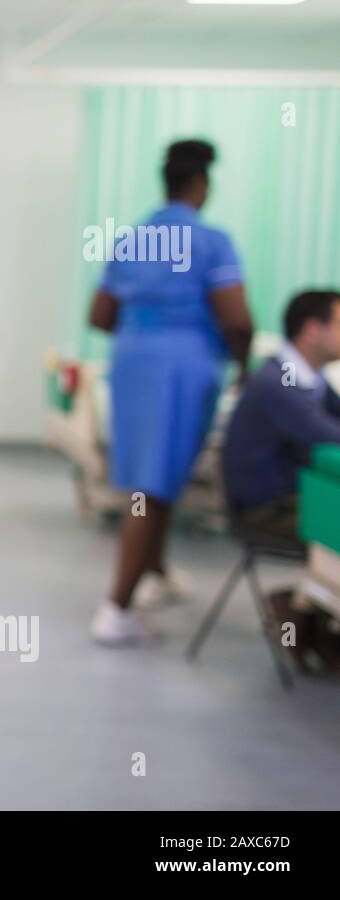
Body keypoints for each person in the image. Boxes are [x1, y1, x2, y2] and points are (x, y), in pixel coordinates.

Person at [86, 140, 254, 646]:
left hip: (135, 364)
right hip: (183, 367)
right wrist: (243, 366)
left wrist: (148, 323)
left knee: (149, 476)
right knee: (153, 490)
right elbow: (237, 319)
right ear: (200, 186)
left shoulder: (132, 240)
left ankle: (154, 571)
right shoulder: (211, 241)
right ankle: (116, 610)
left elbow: (99, 316)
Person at [222, 289, 340, 543]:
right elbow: (327, 433)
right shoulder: (279, 382)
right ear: (312, 330)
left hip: (294, 497)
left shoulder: (310, 376)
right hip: (268, 509)